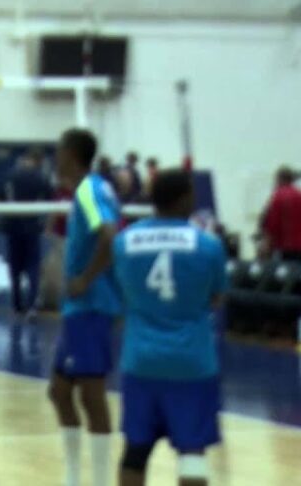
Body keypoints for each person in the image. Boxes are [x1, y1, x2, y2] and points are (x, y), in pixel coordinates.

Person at [113, 169, 226, 486]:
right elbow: (216, 296)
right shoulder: (208, 245)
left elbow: (122, 290)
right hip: (192, 363)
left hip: (141, 360)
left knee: (136, 450)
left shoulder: (125, 242)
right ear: (184, 198)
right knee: (192, 452)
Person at [48, 128, 122, 486]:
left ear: (72, 154)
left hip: (91, 306)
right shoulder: (94, 188)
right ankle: (74, 477)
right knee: (59, 391)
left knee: (92, 395)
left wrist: (85, 278)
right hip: (77, 310)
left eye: (59, 150)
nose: (56, 157)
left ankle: (99, 481)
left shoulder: (89, 189)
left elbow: (109, 234)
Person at [2, 149, 53, 318]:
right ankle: (32, 305)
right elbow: (50, 199)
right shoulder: (40, 178)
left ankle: (17, 305)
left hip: (13, 225)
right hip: (31, 226)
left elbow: (1, 197)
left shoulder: (10, 175)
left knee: (15, 268)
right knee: (33, 267)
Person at [259, 166, 301, 260]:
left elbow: (272, 224)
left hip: (285, 247)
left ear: (279, 179)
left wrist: (267, 243)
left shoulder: (278, 196)